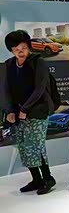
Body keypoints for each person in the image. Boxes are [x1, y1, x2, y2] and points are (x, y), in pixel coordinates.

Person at [0, 31, 57, 194]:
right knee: (24, 145)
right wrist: (10, 111)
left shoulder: (38, 62)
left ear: (29, 47)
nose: (20, 52)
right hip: (19, 113)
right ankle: (36, 179)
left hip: (37, 110)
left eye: (23, 48)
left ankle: (48, 178)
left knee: (36, 145)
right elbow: (6, 90)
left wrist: (25, 109)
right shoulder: (10, 64)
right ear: (11, 50)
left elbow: (40, 88)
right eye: (16, 49)